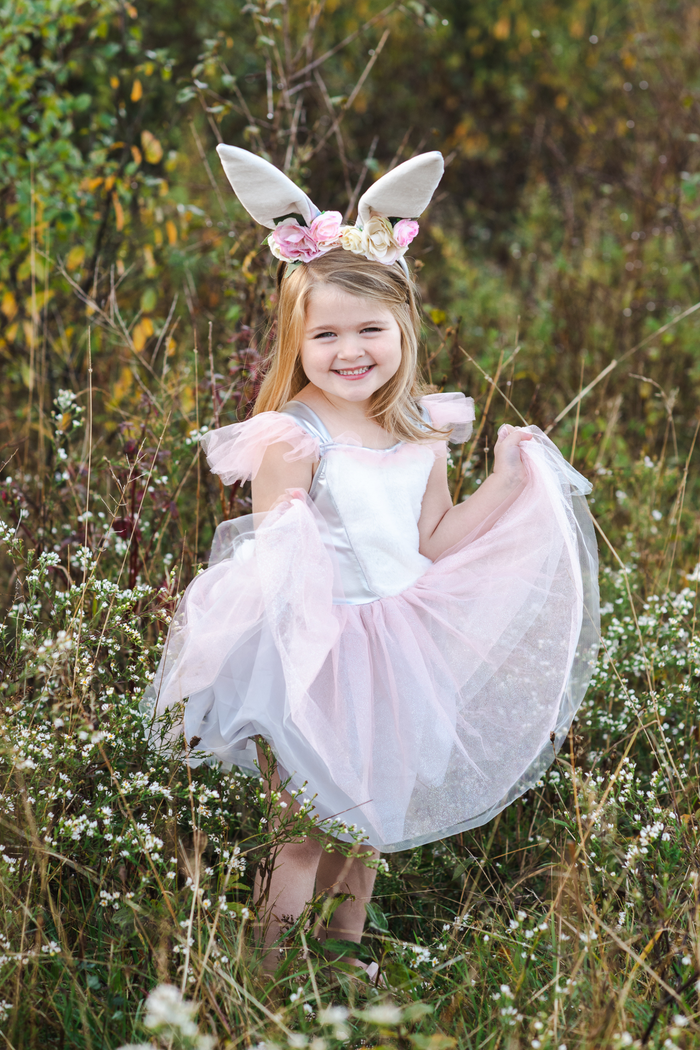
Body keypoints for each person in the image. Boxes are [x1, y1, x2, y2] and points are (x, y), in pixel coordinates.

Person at [145, 146, 599, 979]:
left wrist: (504, 482)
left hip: (400, 653)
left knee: (366, 829)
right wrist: (291, 662)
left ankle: (342, 974)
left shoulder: (421, 430)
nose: (351, 352)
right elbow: (271, 558)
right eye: (326, 335)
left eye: (370, 331)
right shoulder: (294, 436)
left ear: (403, 330)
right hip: (317, 652)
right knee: (305, 833)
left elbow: (433, 540)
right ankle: (271, 981)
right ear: (296, 338)